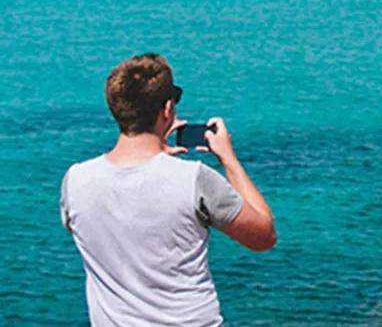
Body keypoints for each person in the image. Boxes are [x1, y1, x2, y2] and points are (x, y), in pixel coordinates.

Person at [60, 54, 276, 326]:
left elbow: (120, 222)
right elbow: (263, 236)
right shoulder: (194, 179)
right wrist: (229, 159)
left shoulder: (76, 180)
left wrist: (154, 150)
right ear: (167, 109)